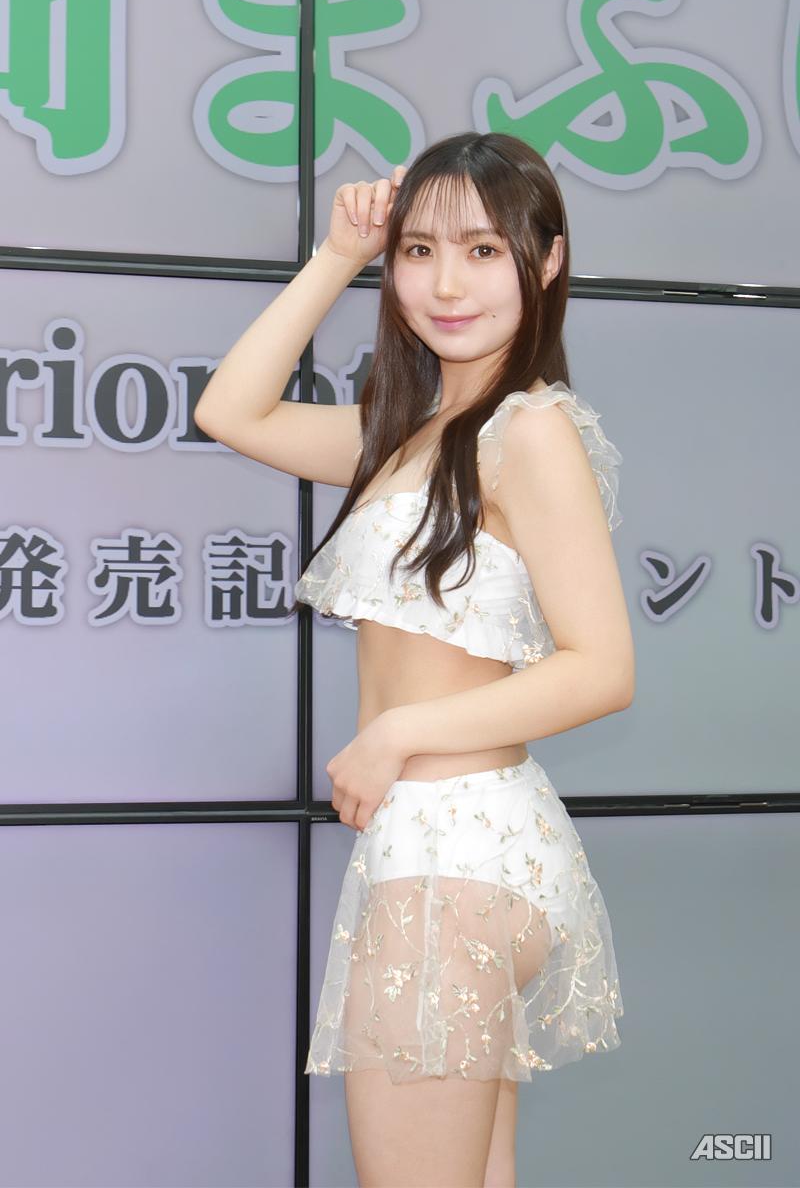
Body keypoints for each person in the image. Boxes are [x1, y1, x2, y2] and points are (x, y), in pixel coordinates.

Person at [195, 131, 634, 1188]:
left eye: (483, 251)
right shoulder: (411, 433)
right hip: (450, 849)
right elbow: (229, 410)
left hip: (458, 854)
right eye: (418, 251)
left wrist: (396, 733)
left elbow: (602, 668)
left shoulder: (528, 432)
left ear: (547, 261)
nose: (445, 284)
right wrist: (336, 255)